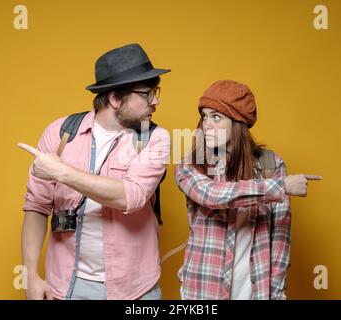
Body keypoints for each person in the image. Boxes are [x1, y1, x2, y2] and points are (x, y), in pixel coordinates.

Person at [18, 43, 171, 300]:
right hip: (68, 286)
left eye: (156, 91)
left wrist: (61, 172)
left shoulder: (157, 138)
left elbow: (131, 196)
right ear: (114, 98)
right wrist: (30, 276)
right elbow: (37, 206)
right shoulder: (61, 132)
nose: (155, 101)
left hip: (135, 290)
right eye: (147, 93)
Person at [175, 80, 321, 300]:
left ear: (238, 123)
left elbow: (280, 236)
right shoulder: (191, 165)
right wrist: (282, 186)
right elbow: (213, 195)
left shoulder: (271, 164)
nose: (206, 125)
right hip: (203, 289)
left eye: (216, 117)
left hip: (256, 290)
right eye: (204, 116)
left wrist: (277, 293)